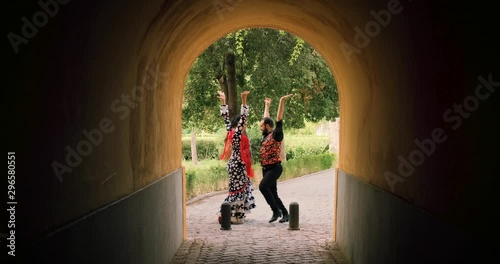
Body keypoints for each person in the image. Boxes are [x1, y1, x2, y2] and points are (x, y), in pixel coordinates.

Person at [217, 90, 256, 224]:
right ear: (239, 124)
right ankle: (234, 217)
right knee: (238, 190)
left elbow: (225, 117)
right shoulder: (238, 133)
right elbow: (243, 116)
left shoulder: (230, 131)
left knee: (237, 189)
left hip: (234, 164)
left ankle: (231, 214)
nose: (245, 125)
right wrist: (244, 100)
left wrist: (223, 101)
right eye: (243, 124)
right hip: (238, 166)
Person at [259, 94, 293, 223]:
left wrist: (281, 101)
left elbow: (279, 119)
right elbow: (265, 118)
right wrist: (267, 106)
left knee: (263, 187)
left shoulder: (276, 134)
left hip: (275, 168)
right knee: (273, 193)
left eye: (261, 126)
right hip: (266, 168)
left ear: (267, 126)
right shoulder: (267, 134)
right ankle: (285, 213)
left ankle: (275, 210)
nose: (260, 128)